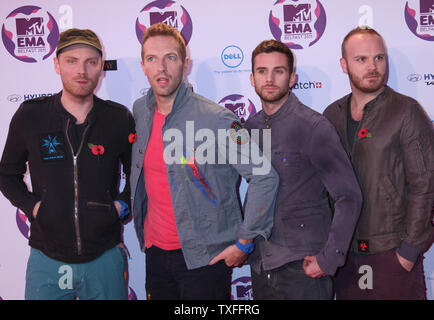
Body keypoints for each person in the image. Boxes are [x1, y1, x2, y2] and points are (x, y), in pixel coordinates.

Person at [130, 23, 279, 300]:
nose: (161, 68)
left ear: (186, 64)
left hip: (204, 261)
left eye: (170, 58)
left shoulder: (217, 119)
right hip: (155, 254)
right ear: (143, 65)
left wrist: (244, 242)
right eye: (152, 59)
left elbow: (264, 176)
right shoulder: (141, 111)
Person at [0, 28, 135, 300]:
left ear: (101, 67)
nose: (81, 70)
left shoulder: (118, 118)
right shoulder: (31, 115)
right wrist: (34, 207)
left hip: (105, 256)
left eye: (91, 62)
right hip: (46, 257)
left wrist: (121, 205)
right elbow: (6, 174)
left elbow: (138, 174)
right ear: (56, 64)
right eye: (72, 61)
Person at [245, 40, 363, 300]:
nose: (270, 78)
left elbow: (349, 196)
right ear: (252, 79)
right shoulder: (249, 128)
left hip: (302, 269)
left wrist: (329, 258)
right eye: (262, 71)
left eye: (279, 71)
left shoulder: (313, 127)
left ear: (292, 78)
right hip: (262, 265)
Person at [323, 26, 434, 300]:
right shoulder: (332, 115)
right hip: (345, 255)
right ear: (344, 64)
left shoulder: (406, 111)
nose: (373, 67)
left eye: (379, 58)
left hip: (391, 255)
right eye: (361, 59)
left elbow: (425, 183)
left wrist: (408, 251)